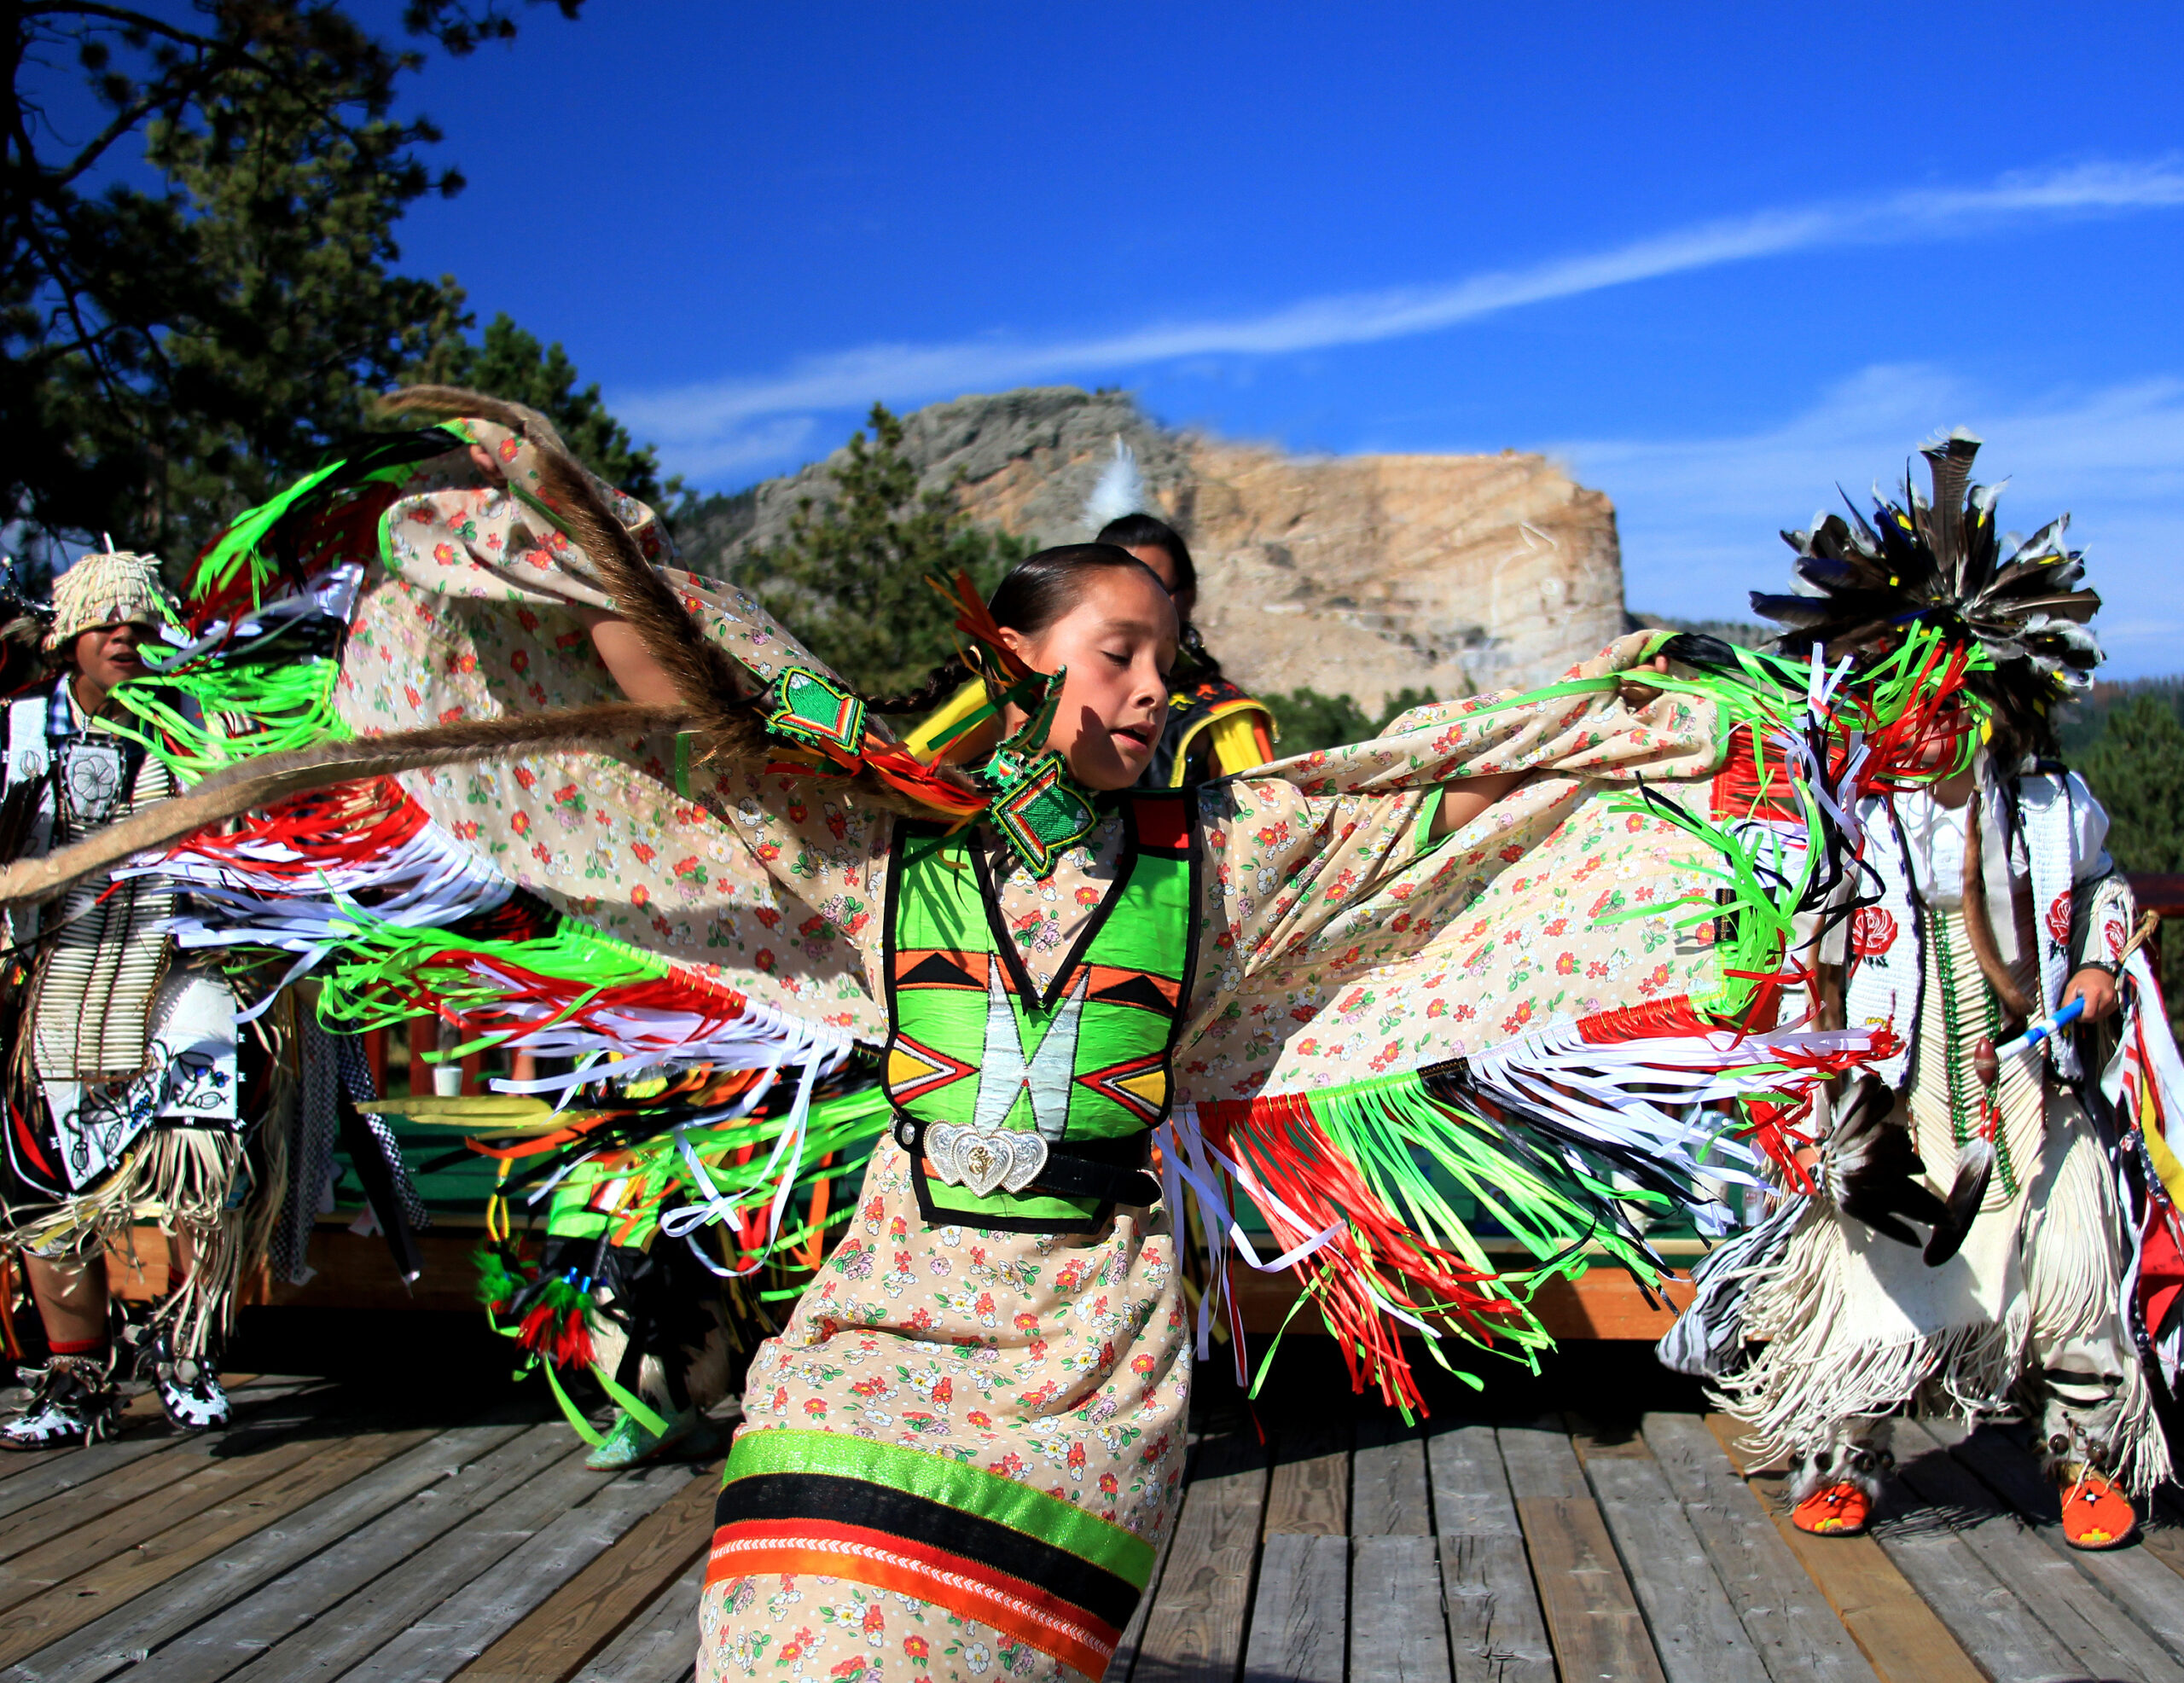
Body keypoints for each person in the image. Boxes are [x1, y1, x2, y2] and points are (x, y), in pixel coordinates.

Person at [2, 391, 1947, 1678]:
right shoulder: (875, 857)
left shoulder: (1221, 866)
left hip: (1082, 1363)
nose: (1152, 684)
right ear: (1014, 657)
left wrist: (1743, 733)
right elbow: (691, 728)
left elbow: (1445, 804)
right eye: (1115, 651)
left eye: (1166, 657)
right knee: (777, 1630)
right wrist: (591, 563)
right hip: (874, 1334)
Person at [1664, 432, 2177, 1551]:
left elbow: (2101, 886)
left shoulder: (2048, 802)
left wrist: (2096, 963)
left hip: (2027, 1074)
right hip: (1884, 1075)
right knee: (1867, 1264)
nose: (1935, 718)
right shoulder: (1839, 806)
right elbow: (1777, 924)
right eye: (1914, 695)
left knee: (2070, 1252)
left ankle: (2085, 1457)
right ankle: (1845, 1457)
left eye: (1955, 694)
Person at [0, 550, 269, 1445]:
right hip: (54, 971)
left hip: (177, 964)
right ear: (67, 639)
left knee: (203, 1165)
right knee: (45, 1185)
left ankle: (188, 1351)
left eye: (142, 623)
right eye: (105, 623)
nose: (125, 635)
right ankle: (74, 1372)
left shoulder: (202, 725)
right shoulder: (19, 728)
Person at [908, 488, 1275, 788]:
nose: (1156, 691)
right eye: (1118, 654)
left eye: (1164, 674)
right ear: (1012, 658)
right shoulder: (903, 835)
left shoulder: (1220, 715)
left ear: (1188, 597)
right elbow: (913, 761)